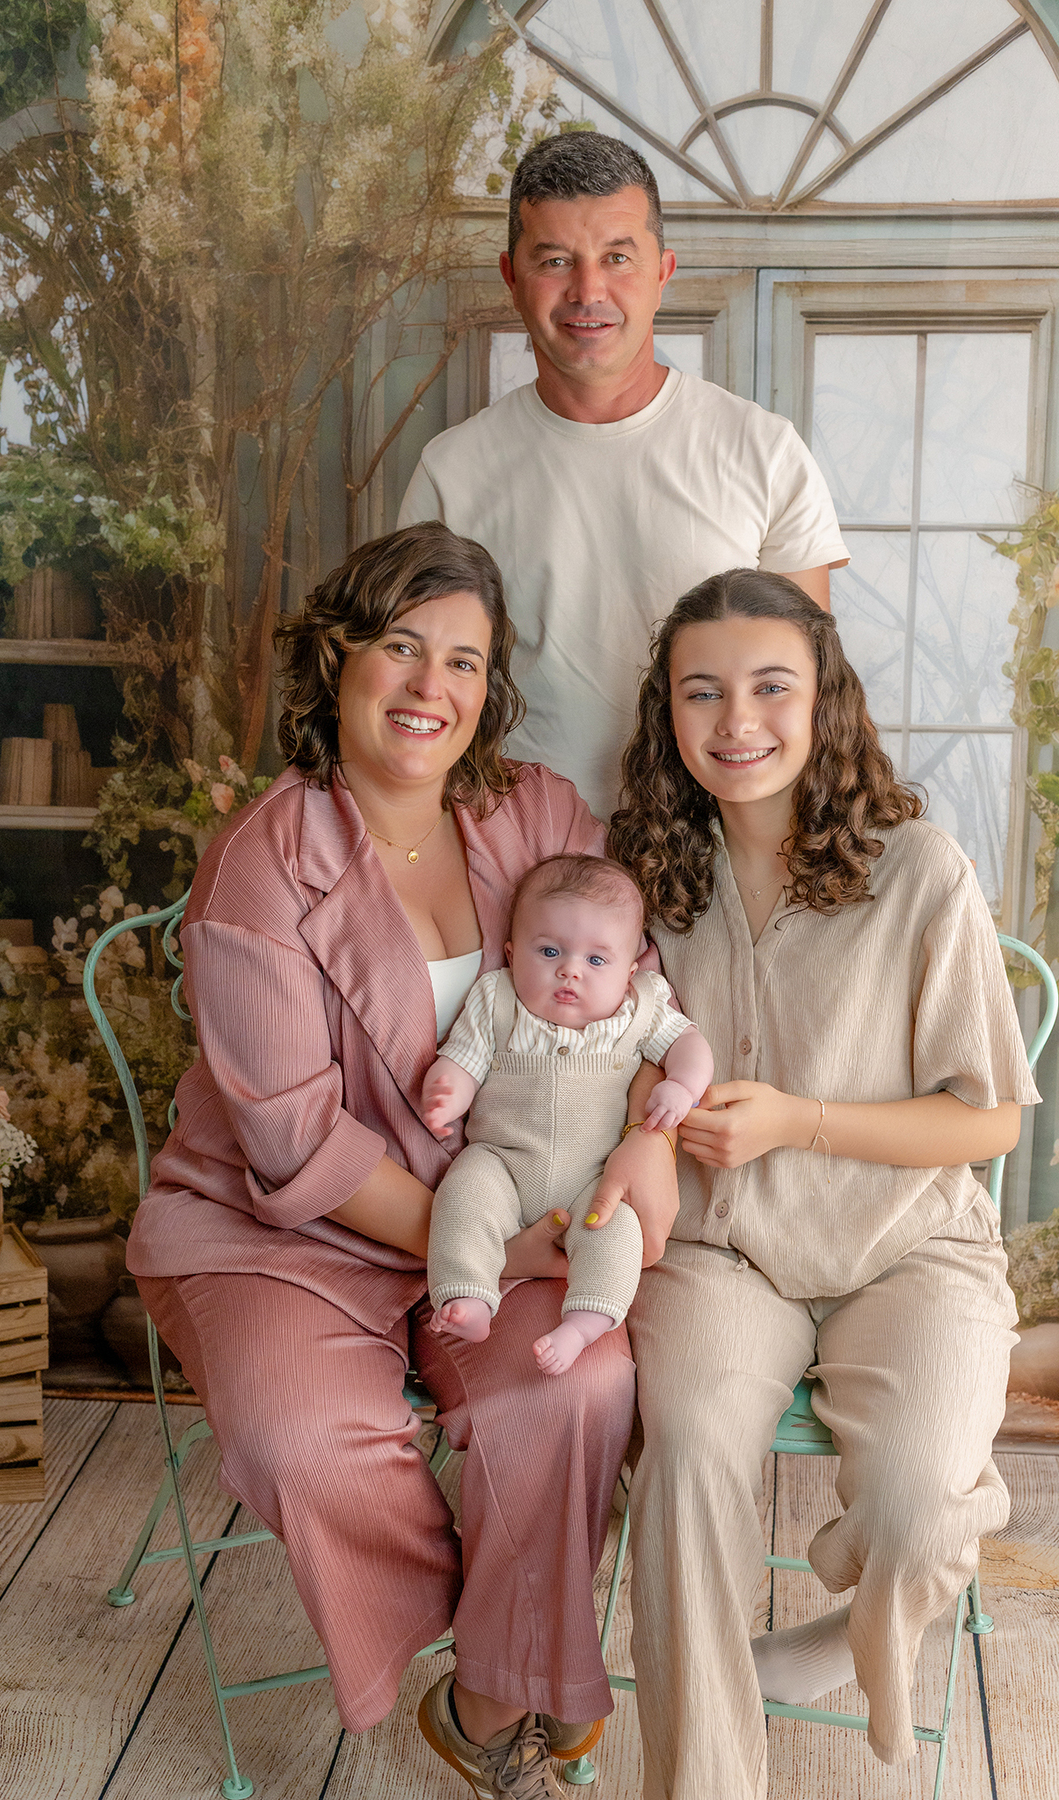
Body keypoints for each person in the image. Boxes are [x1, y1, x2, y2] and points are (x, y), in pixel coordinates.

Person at [126, 521, 665, 1800]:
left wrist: (644, 1143)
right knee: (298, 1441)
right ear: (339, 660)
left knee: (578, 1391)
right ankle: (517, 1631)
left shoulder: (536, 812)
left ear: (492, 689)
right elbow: (299, 1144)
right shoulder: (261, 863)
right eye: (402, 649)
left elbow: (640, 996)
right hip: (287, 1228)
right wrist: (494, 1243)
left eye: (466, 663)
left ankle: (490, 1690)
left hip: (510, 1193)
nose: (434, 689)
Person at [594, 567, 1039, 1799]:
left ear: (823, 700)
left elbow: (992, 1119)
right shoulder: (643, 882)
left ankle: (856, 1622)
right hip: (721, 1252)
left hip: (911, 1252)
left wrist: (801, 1120)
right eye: (703, 692)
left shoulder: (920, 871)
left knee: (913, 1513)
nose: (738, 720)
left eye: (771, 686)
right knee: (683, 1456)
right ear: (666, 718)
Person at [398, 131, 848, 822]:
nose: (589, 290)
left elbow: (803, 695)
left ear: (663, 272)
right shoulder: (452, 473)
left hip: (716, 852)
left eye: (617, 257)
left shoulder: (763, 451)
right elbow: (416, 694)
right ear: (511, 277)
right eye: (555, 260)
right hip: (520, 858)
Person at [424, 852, 712, 1373]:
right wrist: (448, 1092)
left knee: (615, 1230)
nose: (570, 971)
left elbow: (690, 1044)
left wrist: (682, 1085)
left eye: (596, 961)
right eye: (549, 950)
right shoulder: (498, 999)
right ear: (512, 953)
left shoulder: (641, 1007)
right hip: (505, 1163)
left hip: (594, 1178)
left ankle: (583, 1323)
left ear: (629, 972)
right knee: (464, 1192)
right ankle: (468, 1296)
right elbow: (461, 1057)